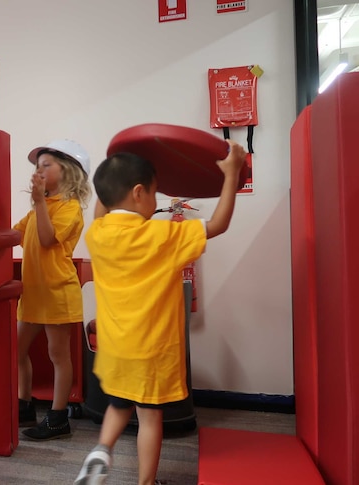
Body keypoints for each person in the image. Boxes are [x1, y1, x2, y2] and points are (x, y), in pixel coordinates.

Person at [74, 140, 247, 485]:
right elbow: (218, 224)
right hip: (151, 350)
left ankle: (102, 449)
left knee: (119, 405)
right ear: (139, 193)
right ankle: (146, 482)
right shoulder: (162, 234)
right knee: (149, 418)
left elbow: (100, 211)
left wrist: (111, 173)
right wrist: (231, 174)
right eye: (155, 193)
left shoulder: (98, 234)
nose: (156, 202)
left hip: (114, 347)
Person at [13, 139, 91, 441]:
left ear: (68, 172)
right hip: (33, 292)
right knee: (16, 350)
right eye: (37, 165)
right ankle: (24, 404)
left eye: (47, 164)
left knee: (58, 355)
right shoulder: (37, 210)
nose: (40, 170)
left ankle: (58, 418)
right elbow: (13, 233)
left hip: (58, 291)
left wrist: (39, 203)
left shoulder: (70, 208)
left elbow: (46, 240)